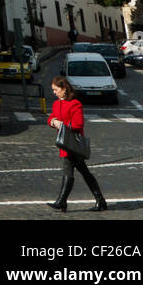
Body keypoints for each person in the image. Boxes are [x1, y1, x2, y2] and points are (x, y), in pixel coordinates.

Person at [47, 76, 106, 212]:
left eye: (56, 90)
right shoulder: (56, 104)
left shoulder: (75, 104)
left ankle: (61, 201)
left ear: (64, 89)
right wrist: (52, 122)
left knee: (68, 170)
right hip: (65, 143)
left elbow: (78, 123)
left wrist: (63, 125)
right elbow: (51, 117)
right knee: (85, 172)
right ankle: (100, 200)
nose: (54, 92)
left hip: (72, 143)